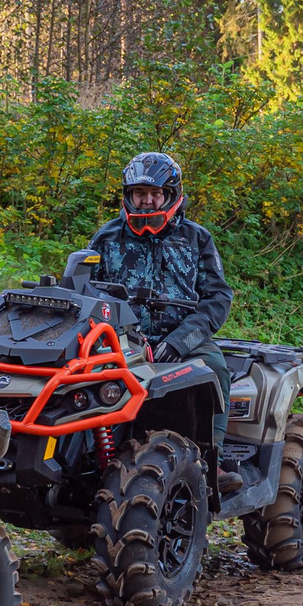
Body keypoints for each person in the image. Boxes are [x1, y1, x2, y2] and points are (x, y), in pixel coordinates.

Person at [87, 151, 242, 494]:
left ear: (171, 195)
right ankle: (87, 464)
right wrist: (118, 334)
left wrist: (179, 341)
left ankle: (210, 464)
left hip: (183, 336)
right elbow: (86, 293)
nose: (147, 201)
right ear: (128, 196)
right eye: (139, 194)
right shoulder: (106, 237)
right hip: (120, 339)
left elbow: (218, 298)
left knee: (215, 369)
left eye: (155, 194)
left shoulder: (196, 238)